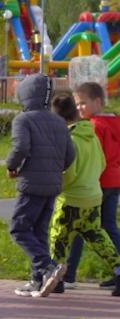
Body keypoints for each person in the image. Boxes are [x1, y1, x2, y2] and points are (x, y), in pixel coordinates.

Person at [6, 73, 77, 297]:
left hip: (32, 184)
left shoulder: (23, 120)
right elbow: (70, 154)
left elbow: (21, 148)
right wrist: (56, 168)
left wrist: (11, 166)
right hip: (53, 185)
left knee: (18, 228)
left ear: (25, 95)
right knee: (39, 232)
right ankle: (38, 280)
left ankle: (48, 267)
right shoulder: (58, 121)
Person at [45, 91, 120, 296]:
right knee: (97, 236)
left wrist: (58, 186)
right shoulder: (91, 135)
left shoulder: (69, 140)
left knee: (58, 236)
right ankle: (118, 270)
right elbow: (102, 163)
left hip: (71, 198)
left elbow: (69, 171)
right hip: (93, 196)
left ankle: (57, 278)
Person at [64, 81, 120, 288]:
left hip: (97, 182)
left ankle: (68, 274)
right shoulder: (115, 123)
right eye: (76, 105)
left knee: (78, 226)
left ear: (97, 102)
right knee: (108, 226)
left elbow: (90, 156)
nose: (78, 108)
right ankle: (118, 271)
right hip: (114, 179)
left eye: (82, 104)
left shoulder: (94, 127)